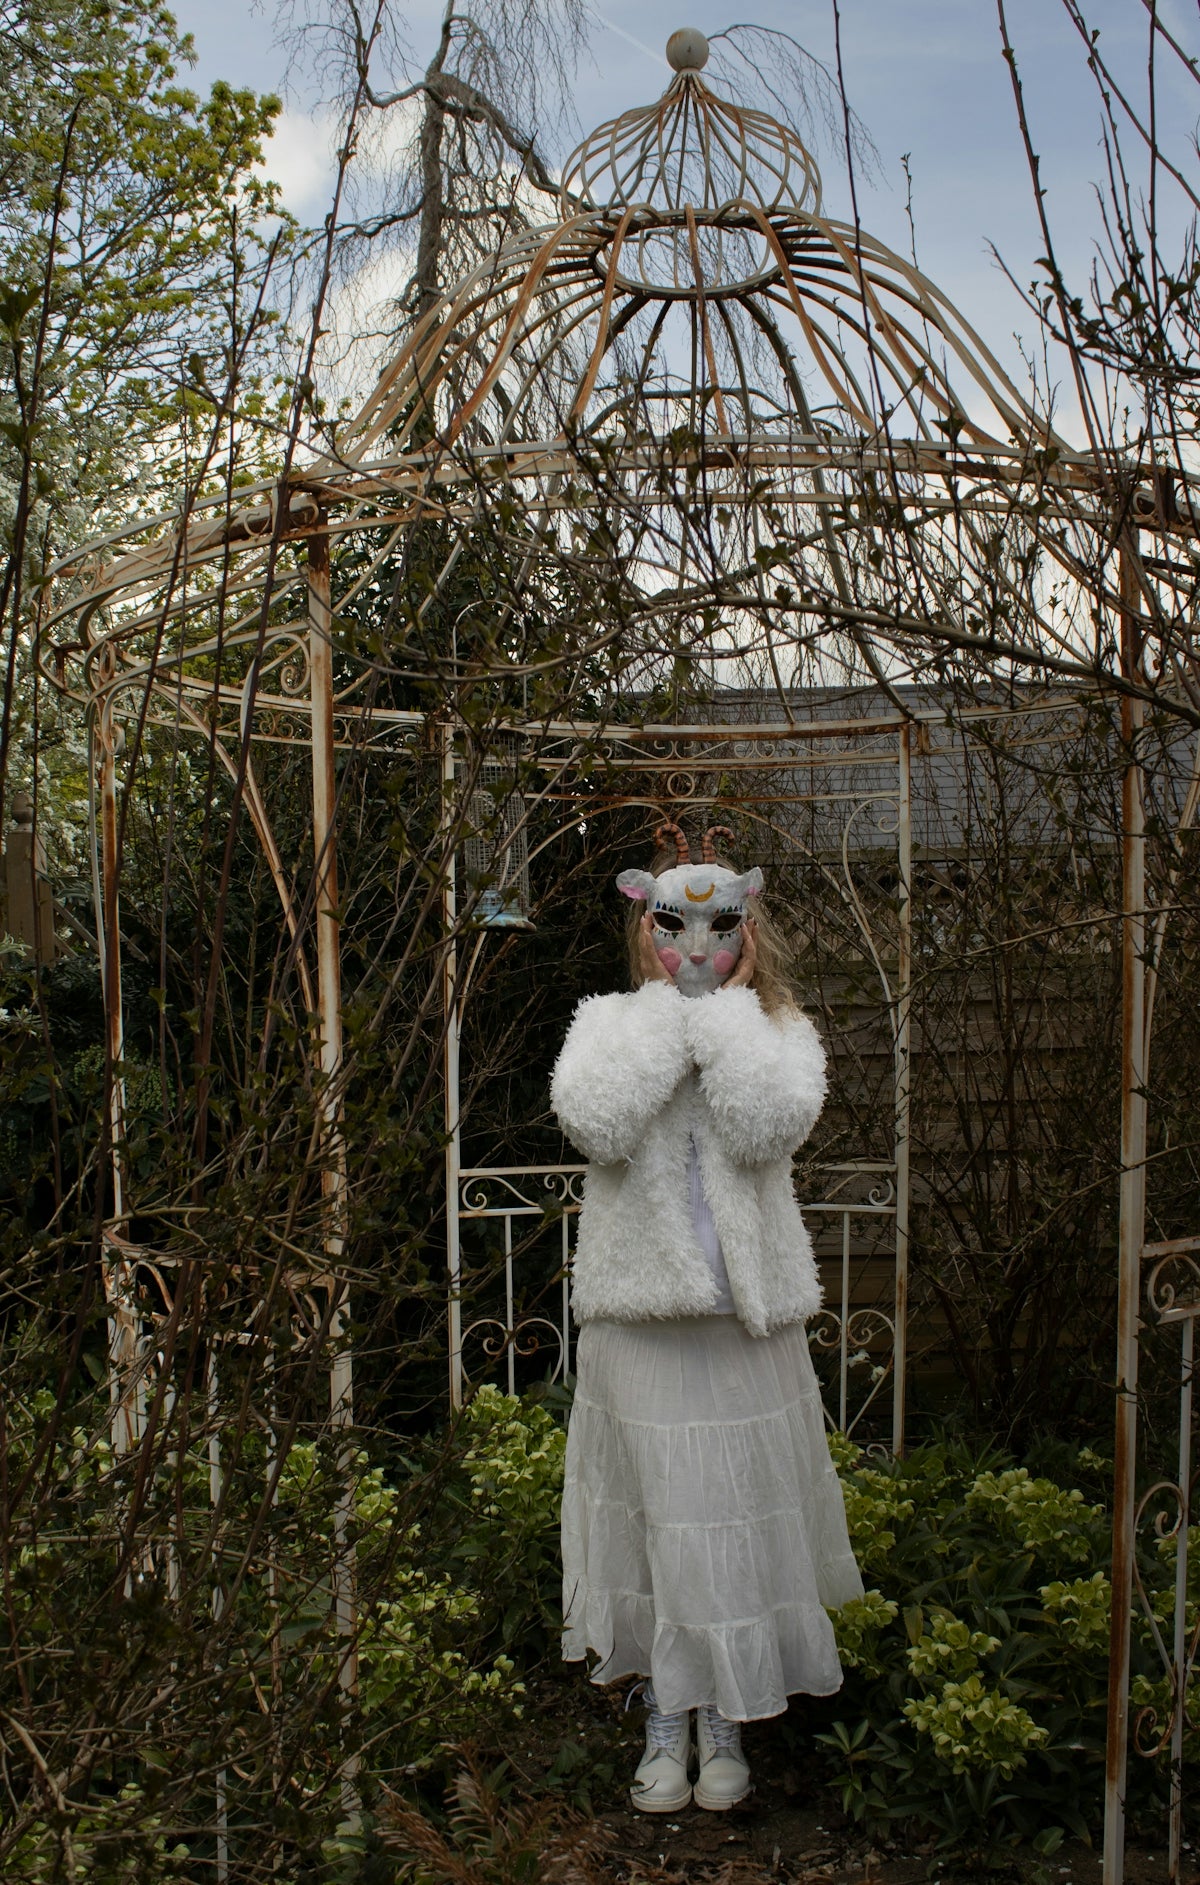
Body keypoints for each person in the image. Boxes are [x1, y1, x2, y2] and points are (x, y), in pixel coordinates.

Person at [551, 822, 863, 1814]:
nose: (694, 946)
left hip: (742, 1326)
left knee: (728, 1516)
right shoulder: (608, 1022)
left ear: (746, 931)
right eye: (673, 928)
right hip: (639, 1325)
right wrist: (663, 1022)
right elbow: (594, 1122)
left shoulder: (778, 1029)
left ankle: (724, 1716)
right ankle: (664, 1715)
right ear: (644, 929)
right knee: (657, 1519)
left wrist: (721, 1018)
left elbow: (770, 1126)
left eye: (719, 929)